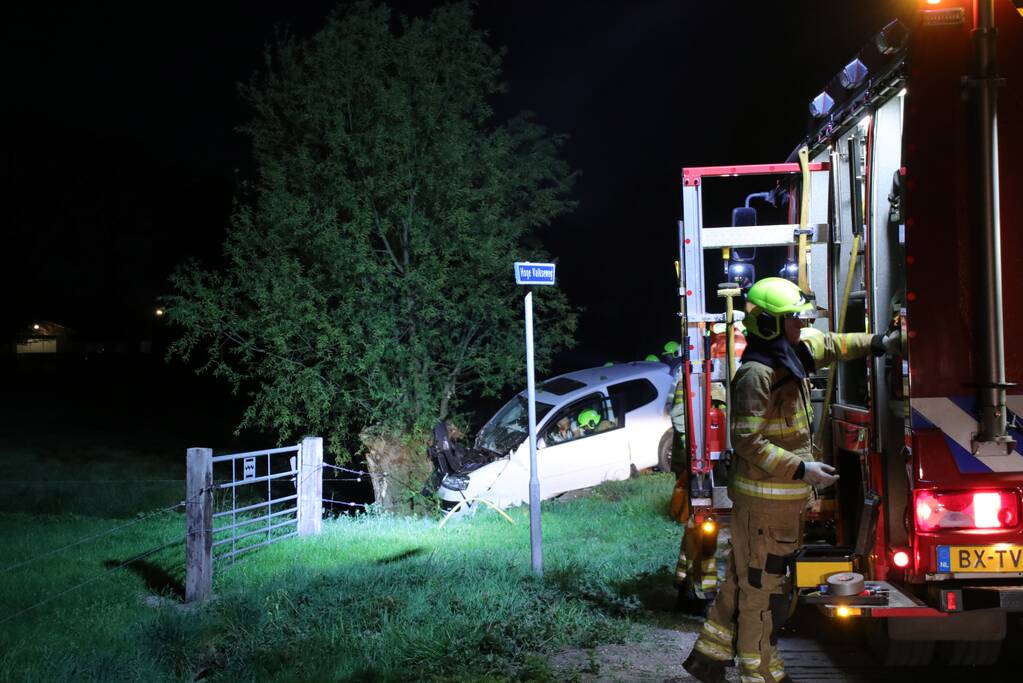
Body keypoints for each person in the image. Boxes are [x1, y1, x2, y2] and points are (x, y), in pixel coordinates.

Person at [683, 277, 900, 683]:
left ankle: (709, 660)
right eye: (793, 321)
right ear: (769, 325)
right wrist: (803, 470)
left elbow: (833, 345)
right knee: (762, 591)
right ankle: (758, 672)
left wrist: (879, 342)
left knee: (742, 579)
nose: (801, 328)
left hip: (780, 505)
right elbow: (747, 441)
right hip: (764, 505)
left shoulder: (792, 353)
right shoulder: (756, 375)